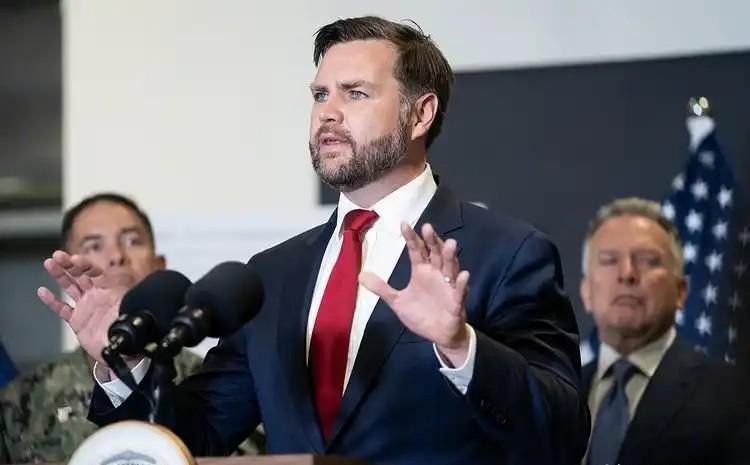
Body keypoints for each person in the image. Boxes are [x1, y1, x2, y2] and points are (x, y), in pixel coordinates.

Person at [39, 17, 588, 465]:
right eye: (320, 94)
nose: (327, 112)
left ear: (420, 114)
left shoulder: (505, 253)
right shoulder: (271, 275)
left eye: (355, 93)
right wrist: (128, 362)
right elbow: (196, 437)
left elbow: (562, 436)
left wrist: (460, 345)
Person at [0, 193, 262, 463]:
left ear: (160, 266)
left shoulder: (212, 378)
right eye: (94, 245)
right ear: (67, 272)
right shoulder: (23, 398)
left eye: (132, 241)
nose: (117, 256)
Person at [579, 197, 750, 465]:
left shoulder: (734, 397)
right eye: (609, 260)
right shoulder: (556, 395)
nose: (627, 273)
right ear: (586, 292)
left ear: (681, 292)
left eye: (648, 260)